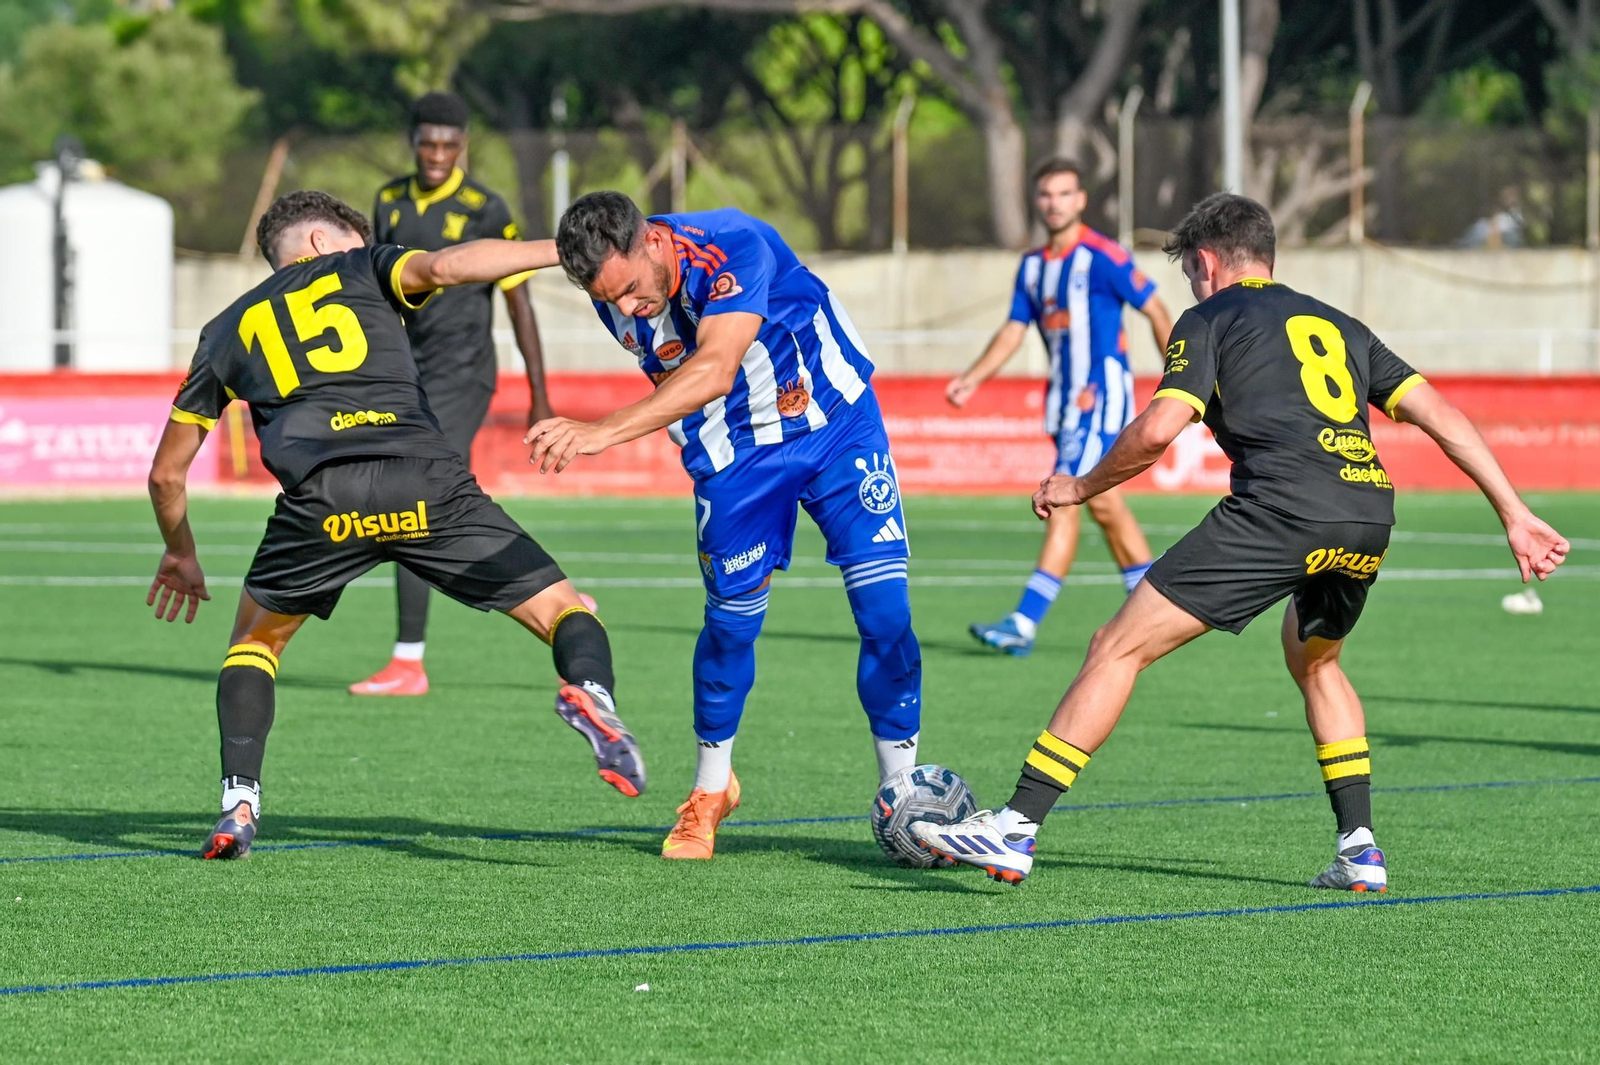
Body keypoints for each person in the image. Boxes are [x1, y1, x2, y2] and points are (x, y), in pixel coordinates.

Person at [912, 193, 1569, 889]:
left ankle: (1016, 825)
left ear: (1206, 262)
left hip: (1280, 511)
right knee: (1316, 661)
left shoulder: (1208, 318)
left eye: (1191, 274)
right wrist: (1514, 513)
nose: (1192, 288)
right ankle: (1360, 850)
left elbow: (1161, 428)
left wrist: (1081, 485)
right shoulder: (1340, 324)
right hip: (1364, 515)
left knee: (1117, 645)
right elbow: (1440, 413)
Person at [146, 191, 645, 860]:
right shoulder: (361, 268)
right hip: (425, 481)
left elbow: (166, 476)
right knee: (565, 608)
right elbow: (447, 268)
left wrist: (181, 552)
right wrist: (566, 252)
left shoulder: (224, 330)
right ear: (324, 243)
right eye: (358, 236)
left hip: (322, 504)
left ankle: (239, 803)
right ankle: (591, 693)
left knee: (254, 646)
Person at [527, 192, 922, 860]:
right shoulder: (604, 268)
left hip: (836, 424)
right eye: (607, 298)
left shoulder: (734, 244)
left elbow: (712, 369)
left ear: (651, 241)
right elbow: (488, 262)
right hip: (732, 451)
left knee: (885, 610)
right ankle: (713, 788)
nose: (625, 308)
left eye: (627, 290)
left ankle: (902, 794)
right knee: (731, 624)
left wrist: (599, 432)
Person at [350, 91, 556, 697]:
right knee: (433, 498)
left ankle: (408, 660)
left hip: (465, 374)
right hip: (408, 375)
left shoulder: (486, 209)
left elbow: (519, 302)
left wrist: (538, 394)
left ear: (462, 145)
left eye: (449, 143)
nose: (437, 154)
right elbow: (379, 291)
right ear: (412, 142)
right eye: (427, 143)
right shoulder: (389, 200)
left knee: (414, 495)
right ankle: (547, 584)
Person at [950, 159, 1173, 657]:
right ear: (1037, 201)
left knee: (1062, 497)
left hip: (1099, 398)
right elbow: (1013, 329)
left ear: (1081, 200)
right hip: (1062, 406)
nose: (1055, 203)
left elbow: (1156, 309)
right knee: (1105, 503)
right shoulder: (1032, 267)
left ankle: (1023, 622)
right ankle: (1152, 603)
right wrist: (973, 378)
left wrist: (1181, 380)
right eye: (1046, 194)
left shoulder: (1103, 256)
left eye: (1064, 193)